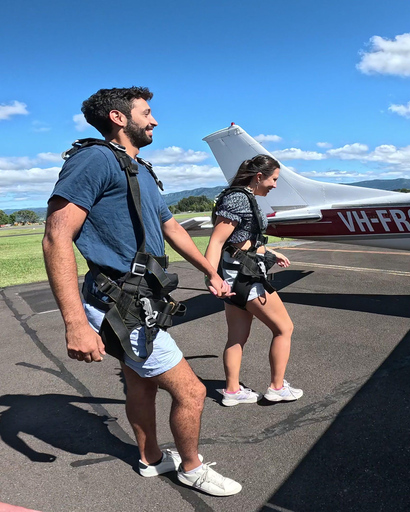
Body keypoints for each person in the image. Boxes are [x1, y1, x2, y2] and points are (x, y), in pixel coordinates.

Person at [43, 87, 241, 496]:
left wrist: (209, 270)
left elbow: (170, 228)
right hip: (119, 303)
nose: (154, 120)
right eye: (147, 113)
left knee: (141, 384)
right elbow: (55, 238)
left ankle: (151, 459)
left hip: (141, 300)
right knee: (192, 391)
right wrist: (76, 323)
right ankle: (191, 467)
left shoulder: (140, 169)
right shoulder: (93, 160)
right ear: (119, 117)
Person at [204, 155, 302, 407]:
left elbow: (240, 242)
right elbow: (216, 240)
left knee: (236, 337)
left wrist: (270, 253)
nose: (275, 185)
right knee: (284, 329)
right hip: (245, 280)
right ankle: (277, 388)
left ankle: (233, 391)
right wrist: (211, 277)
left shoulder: (241, 197)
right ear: (259, 177)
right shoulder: (239, 199)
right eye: (274, 179)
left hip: (234, 278)